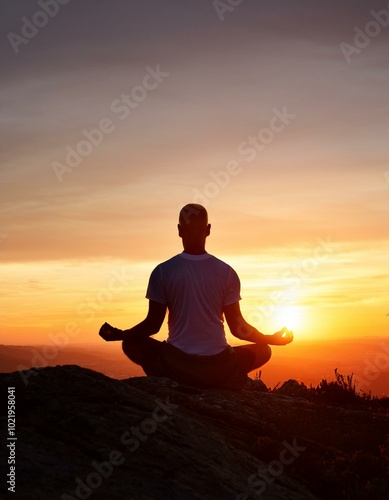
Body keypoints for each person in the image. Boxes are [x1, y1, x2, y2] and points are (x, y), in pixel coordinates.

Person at [99, 203, 293, 389]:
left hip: (175, 366)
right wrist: (270, 338)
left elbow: (152, 325)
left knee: (130, 344)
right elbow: (237, 328)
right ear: (208, 230)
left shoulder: (162, 271)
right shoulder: (227, 272)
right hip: (220, 368)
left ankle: (168, 378)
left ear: (179, 230)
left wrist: (120, 334)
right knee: (264, 349)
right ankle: (227, 380)